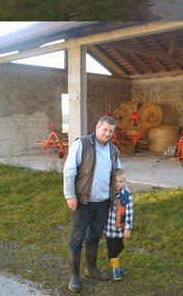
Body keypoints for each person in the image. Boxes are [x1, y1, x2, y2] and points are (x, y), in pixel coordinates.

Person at [63, 116, 121, 292]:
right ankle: (74, 277)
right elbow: (69, 170)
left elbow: (118, 172)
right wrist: (70, 195)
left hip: (103, 202)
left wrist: (122, 189)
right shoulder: (81, 144)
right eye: (104, 129)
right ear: (97, 127)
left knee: (95, 235)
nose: (107, 133)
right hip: (83, 200)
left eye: (111, 131)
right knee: (78, 237)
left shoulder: (113, 150)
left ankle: (91, 269)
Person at [104, 168, 133, 281]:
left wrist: (127, 228)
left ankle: (116, 265)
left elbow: (129, 214)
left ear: (124, 182)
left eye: (121, 182)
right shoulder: (107, 194)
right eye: (115, 181)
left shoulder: (127, 197)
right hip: (109, 229)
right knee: (112, 248)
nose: (117, 184)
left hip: (120, 229)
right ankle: (116, 269)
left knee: (120, 247)